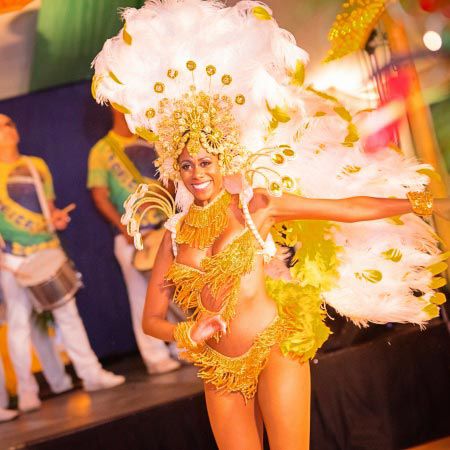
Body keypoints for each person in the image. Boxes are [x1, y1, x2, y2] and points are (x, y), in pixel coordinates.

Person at [92, 1, 449, 448]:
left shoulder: (254, 206)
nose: (197, 173)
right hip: (219, 367)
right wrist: (188, 331)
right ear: (174, 169)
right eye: (186, 165)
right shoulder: (175, 233)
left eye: (205, 161)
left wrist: (419, 201)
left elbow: (343, 208)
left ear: (223, 161)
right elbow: (151, 321)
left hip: (274, 345)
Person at [0, 114, 124, 413]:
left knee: (69, 316)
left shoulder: (35, 165)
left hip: (47, 250)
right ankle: (28, 392)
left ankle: (91, 374)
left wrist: (56, 218)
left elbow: (49, 207)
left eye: (9, 124)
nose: (6, 130)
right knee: (19, 324)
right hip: (13, 258)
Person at [87, 108, 180, 374]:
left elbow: (171, 183)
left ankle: (180, 346)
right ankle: (154, 356)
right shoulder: (102, 150)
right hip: (132, 236)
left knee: (173, 290)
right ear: (113, 107)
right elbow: (99, 196)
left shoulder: (151, 140)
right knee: (142, 297)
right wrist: (124, 227)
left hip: (163, 228)